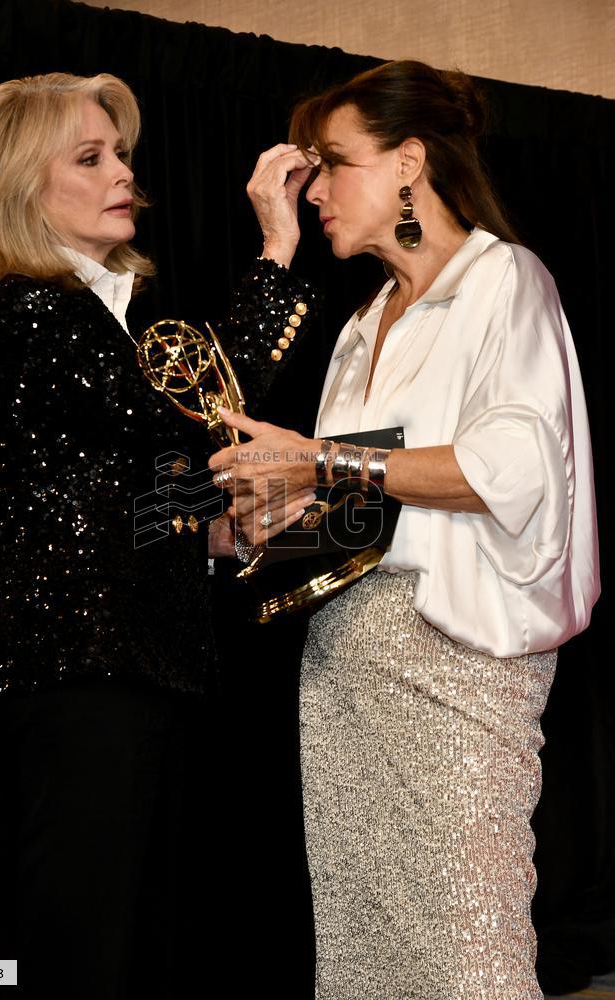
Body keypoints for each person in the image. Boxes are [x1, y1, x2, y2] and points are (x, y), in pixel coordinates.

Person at [209, 59, 600, 1000]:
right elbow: (364, 505)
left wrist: (319, 460)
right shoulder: (362, 323)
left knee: (470, 959)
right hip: (343, 664)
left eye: (334, 164)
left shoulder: (503, 281)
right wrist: (258, 525)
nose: (315, 193)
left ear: (410, 163)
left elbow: (507, 472)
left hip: (457, 668)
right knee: (365, 962)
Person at [0, 71, 317, 997]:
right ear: (21, 186)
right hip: (84, 670)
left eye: (120, 154)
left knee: (117, 937)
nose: (123, 175)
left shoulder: (95, 314)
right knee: (81, 947)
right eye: (90, 157)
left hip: (125, 666)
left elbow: (111, 491)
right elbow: (199, 413)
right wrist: (276, 246)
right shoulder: (34, 307)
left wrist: (207, 532)